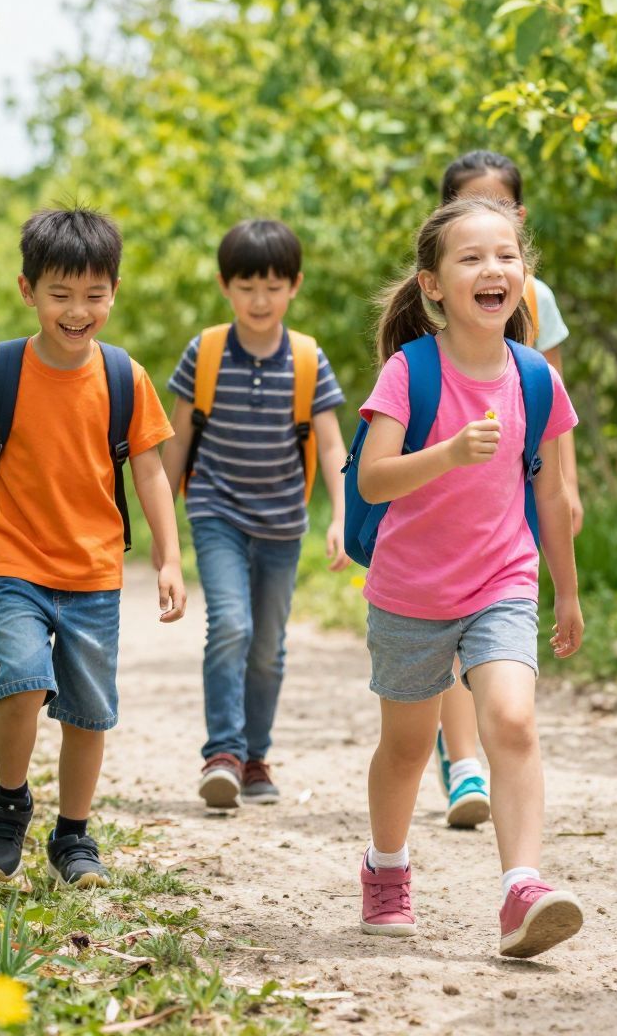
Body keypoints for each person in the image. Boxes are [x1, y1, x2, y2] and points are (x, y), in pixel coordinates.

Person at [0, 207, 188, 889]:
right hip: (10, 560)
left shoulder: (126, 377)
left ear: (114, 294)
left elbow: (149, 469)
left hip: (94, 569)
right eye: (60, 295)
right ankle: (9, 804)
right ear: (26, 290)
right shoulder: (0, 370)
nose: (77, 311)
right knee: (24, 680)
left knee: (89, 712)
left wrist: (169, 558)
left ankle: (72, 834)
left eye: (95, 295)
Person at [351, 195, 585, 959]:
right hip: (410, 593)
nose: (494, 269)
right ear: (433, 285)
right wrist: (448, 452)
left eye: (508, 256)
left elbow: (549, 493)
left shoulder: (535, 379)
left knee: (512, 722)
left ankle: (523, 887)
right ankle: (386, 868)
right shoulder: (409, 370)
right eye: (472, 258)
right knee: (408, 749)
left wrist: (570, 590)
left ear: (525, 276)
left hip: (503, 582)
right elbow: (374, 481)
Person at [161, 219, 350, 809]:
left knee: (268, 645)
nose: (259, 300)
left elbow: (333, 445)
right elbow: (177, 443)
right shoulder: (207, 351)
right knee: (233, 627)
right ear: (225, 285)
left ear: (293, 285)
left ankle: (254, 755)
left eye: (272, 286)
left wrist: (343, 516)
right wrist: (163, 532)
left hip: (284, 523)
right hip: (215, 511)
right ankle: (222, 751)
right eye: (246, 286)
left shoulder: (308, 358)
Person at [426, 150, 581, 829]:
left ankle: (489, 753)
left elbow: (553, 396)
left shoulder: (534, 297)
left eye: (500, 205)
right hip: (447, 483)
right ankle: (463, 762)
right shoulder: (440, 297)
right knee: (449, 614)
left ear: (521, 218)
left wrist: (565, 483)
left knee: (495, 605)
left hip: (517, 473)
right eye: (467, 204)